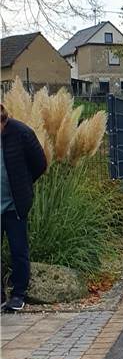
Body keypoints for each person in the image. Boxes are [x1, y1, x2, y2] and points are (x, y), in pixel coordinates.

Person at [1, 102, 48, 313]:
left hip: (15, 206)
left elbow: (40, 163)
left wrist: (24, 184)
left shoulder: (21, 133)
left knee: (18, 250)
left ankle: (18, 295)